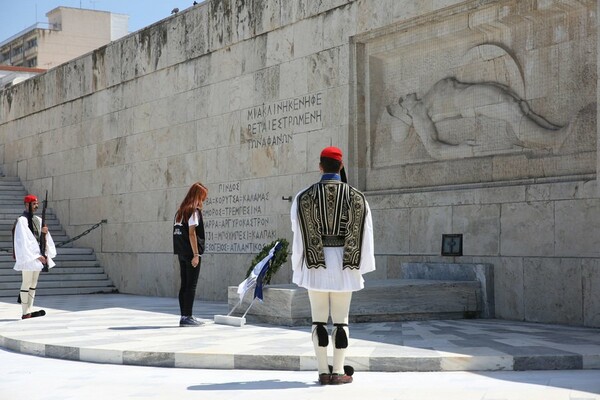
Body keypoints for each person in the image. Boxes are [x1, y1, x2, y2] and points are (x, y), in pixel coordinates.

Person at [290, 146, 376, 385]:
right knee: (341, 321)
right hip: (345, 266)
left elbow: (298, 236)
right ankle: (338, 371)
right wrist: (361, 266)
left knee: (318, 321)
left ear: (320, 166)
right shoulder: (358, 197)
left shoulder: (303, 197)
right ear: (341, 166)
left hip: (315, 264)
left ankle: (322, 371)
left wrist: (298, 264)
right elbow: (365, 236)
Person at [13, 194, 57, 319]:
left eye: (37, 203)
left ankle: (29, 310)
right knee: (26, 283)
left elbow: (42, 239)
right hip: (28, 257)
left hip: (38, 256)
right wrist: (36, 256)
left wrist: (45, 233)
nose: (36, 206)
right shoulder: (22, 220)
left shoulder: (38, 219)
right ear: (27, 205)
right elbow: (25, 241)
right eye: (34, 204)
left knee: (33, 283)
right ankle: (24, 312)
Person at [173, 182, 208, 327]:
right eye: (203, 198)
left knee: (184, 285)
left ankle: (184, 316)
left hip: (181, 252)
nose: (203, 201)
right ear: (197, 196)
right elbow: (192, 233)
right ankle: (188, 316)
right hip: (190, 253)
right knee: (191, 286)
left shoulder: (180, 211)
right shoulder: (193, 211)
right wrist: (196, 254)